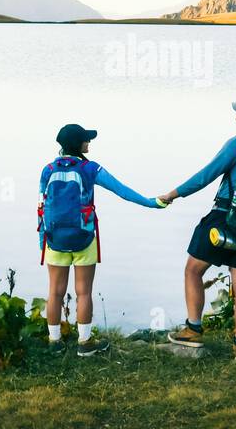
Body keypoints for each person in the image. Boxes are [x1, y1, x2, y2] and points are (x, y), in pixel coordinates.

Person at [39, 123, 167, 357]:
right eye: (86, 139)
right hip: (84, 238)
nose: (89, 142)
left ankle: (54, 342)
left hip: (55, 239)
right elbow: (122, 190)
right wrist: (152, 203)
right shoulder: (90, 169)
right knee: (83, 292)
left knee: (55, 292)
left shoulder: (47, 170)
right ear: (78, 144)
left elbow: (41, 206)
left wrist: (43, 240)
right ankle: (85, 343)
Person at [159, 97, 236, 360]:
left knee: (193, 270)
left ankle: (193, 329)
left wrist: (173, 194)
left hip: (223, 218)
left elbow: (206, 175)